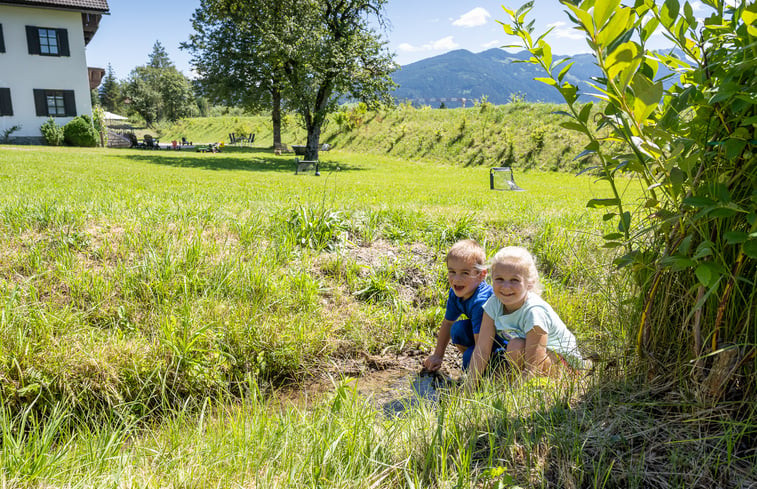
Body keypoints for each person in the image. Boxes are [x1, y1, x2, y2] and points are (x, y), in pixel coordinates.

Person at [469, 246, 583, 386]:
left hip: (564, 365)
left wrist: (514, 398)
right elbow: (482, 349)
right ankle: (517, 384)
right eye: (499, 279)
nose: (505, 286)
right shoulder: (493, 303)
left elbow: (535, 363)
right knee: (494, 378)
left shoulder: (534, 312)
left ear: (529, 283)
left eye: (514, 280)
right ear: (491, 278)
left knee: (515, 347)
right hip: (531, 354)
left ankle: (546, 387)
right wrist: (469, 385)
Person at [424, 239, 507, 373]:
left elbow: (482, 346)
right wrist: (437, 356)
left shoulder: (481, 302)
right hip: (483, 338)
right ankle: (479, 368)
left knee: (470, 356)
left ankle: (486, 373)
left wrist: (474, 365)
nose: (456, 279)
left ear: (481, 275)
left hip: (503, 344)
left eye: (465, 273)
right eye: (452, 272)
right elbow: (447, 323)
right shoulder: (455, 293)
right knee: (458, 330)